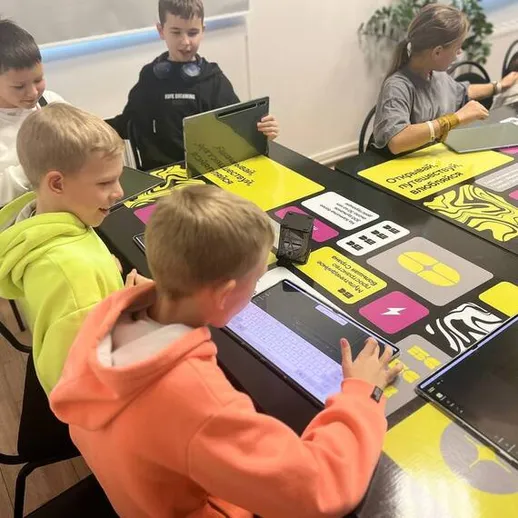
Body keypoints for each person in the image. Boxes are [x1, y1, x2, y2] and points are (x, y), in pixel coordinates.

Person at [50, 184, 402, 518]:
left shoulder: (108, 316)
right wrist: (362, 393)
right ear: (223, 294)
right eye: (256, 280)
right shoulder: (200, 403)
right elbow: (319, 489)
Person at [0, 103, 127, 394]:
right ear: (57, 183)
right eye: (105, 182)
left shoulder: (45, 220)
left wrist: (102, 267)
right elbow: (80, 385)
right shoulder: (70, 276)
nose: (119, 191)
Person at [108, 0, 279, 170]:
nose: (185, 42)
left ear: (202, 31)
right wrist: (95, 127)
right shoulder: (149, 77)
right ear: (161, 31)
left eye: (192, 33)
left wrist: (262, 134)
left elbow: (239, 130)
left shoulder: (214, 81)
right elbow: (128, 122)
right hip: (157, 175)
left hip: (203, 173)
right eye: (176, 32)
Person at [373, 4, 518, 155]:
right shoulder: (397, 86)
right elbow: (397, 141)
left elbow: (461, 91)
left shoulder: (436, 75)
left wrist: (499, 86)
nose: (459, 52)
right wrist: (455, 119)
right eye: (457, 47)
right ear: (437, 52)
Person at [0, 19, 64, 205]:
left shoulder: (51, 103)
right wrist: (37, 166)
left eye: (38, 80)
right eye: (19, 86)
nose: (33, 93)